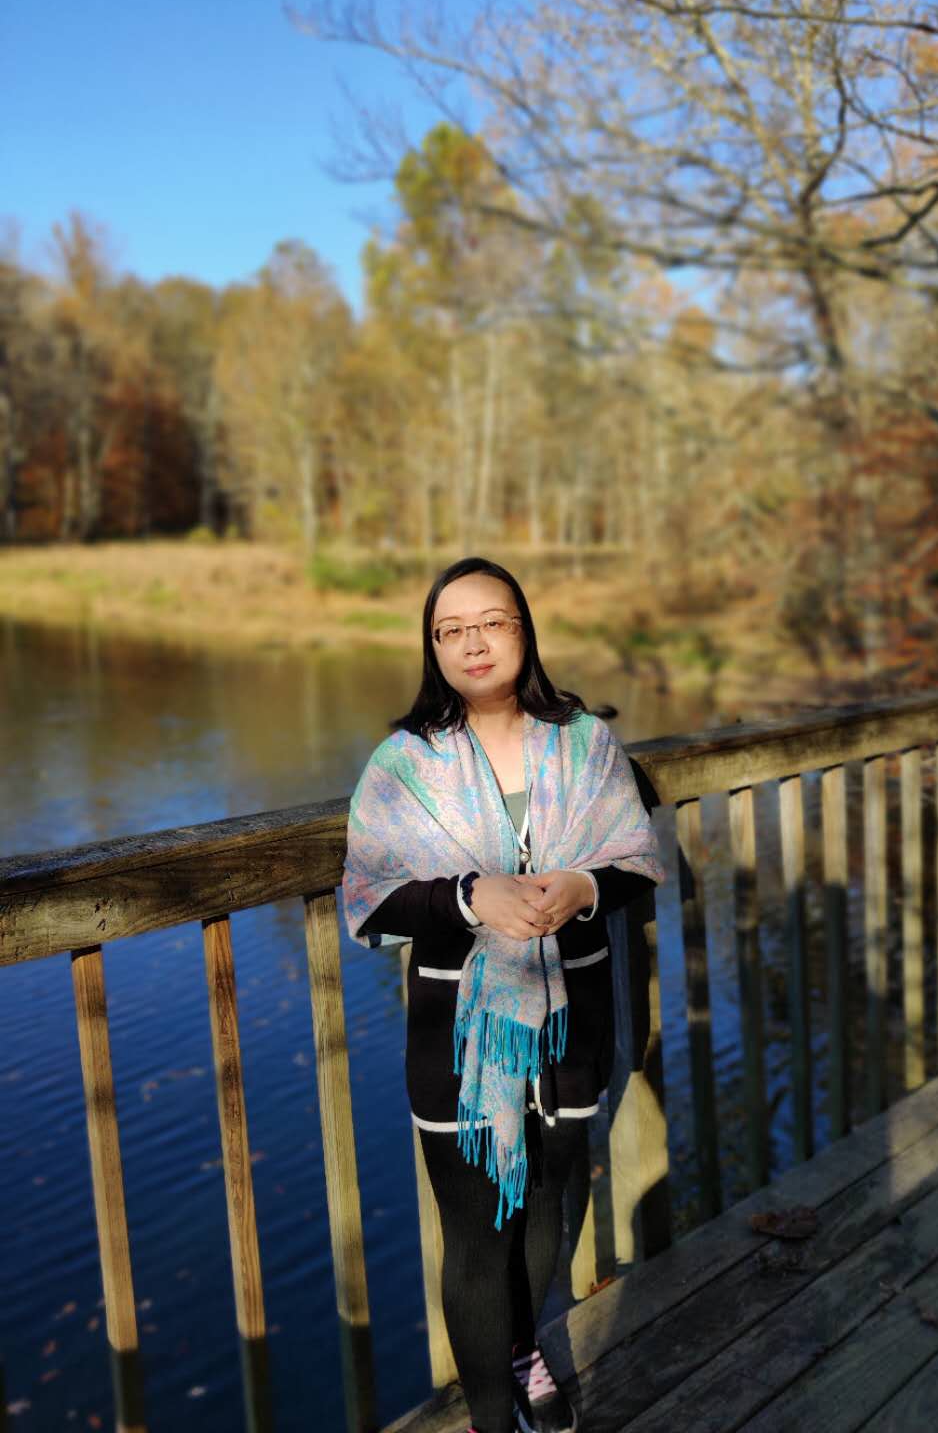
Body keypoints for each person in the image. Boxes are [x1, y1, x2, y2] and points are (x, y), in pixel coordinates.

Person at [343, 557, 663, 1433]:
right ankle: (492, 1416)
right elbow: (370, 894)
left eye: (493, 621)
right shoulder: (404, 764)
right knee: (475, 1233)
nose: (473, 642)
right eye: (451, 629)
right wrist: (465, 896)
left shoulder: (585, 743)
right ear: (432, 648)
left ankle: (524, 1347)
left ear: (525, 629)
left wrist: (582, 888)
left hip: (572, 1021)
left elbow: (633, 860)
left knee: (550, 1199)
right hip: (455, 1035)